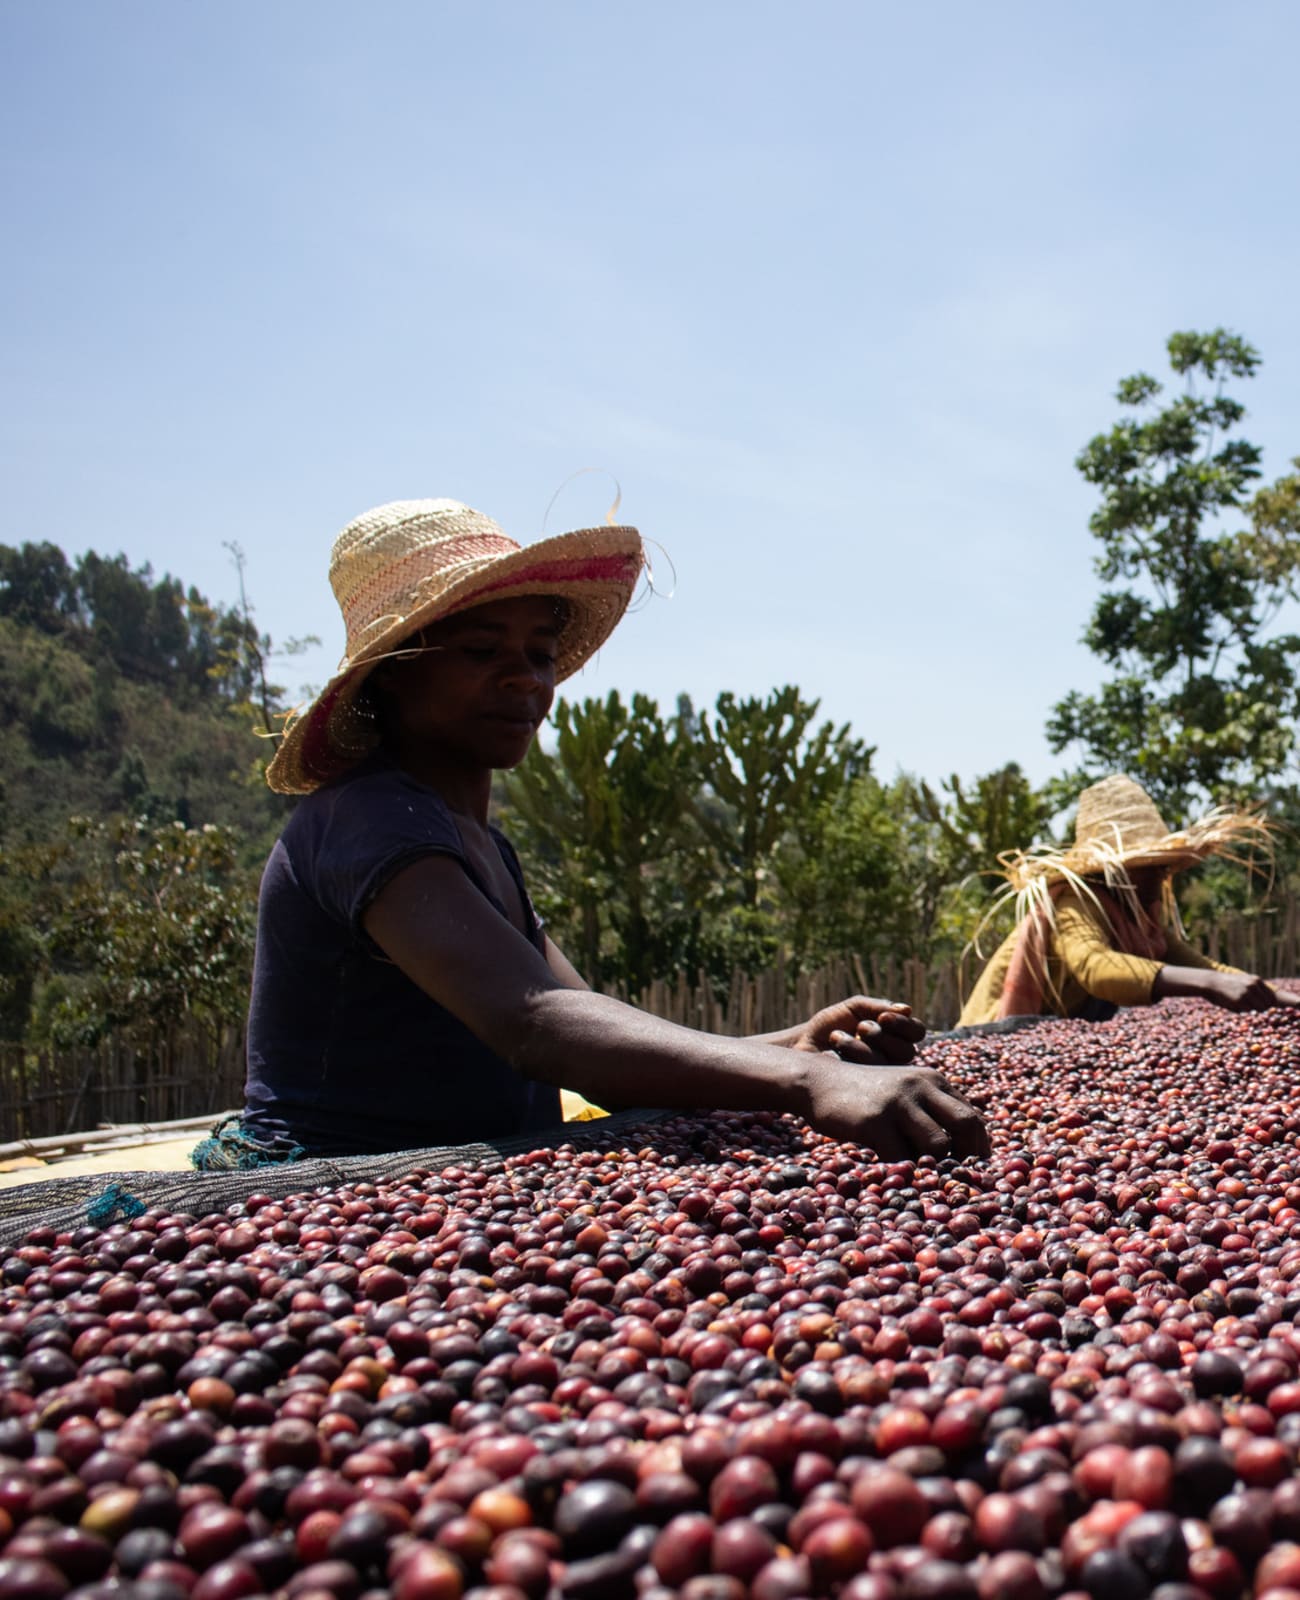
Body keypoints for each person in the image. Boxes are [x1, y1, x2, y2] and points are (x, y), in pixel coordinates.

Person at [196, 498, 988, 1170]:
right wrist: (808, 1085)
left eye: (538, 655)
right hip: (338, 1177)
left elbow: (595, 1037)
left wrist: (796, 1046)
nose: (524, 680)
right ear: (395, 671)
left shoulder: (479, 844)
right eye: (481, 652)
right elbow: (538, 1024)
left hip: (471, 1172)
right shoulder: (367, 818)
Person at [958, 774, 1297, 1027]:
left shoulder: (1139, 920)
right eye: (1143, 868)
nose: (1159, 876)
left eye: (1160, 866)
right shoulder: (1075, 903)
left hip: (1053, 1030)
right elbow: (1097, 967)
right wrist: (1210, 985)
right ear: (1109, 871)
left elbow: (1207, 969)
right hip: (991, 1033)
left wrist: (1284, 1001)